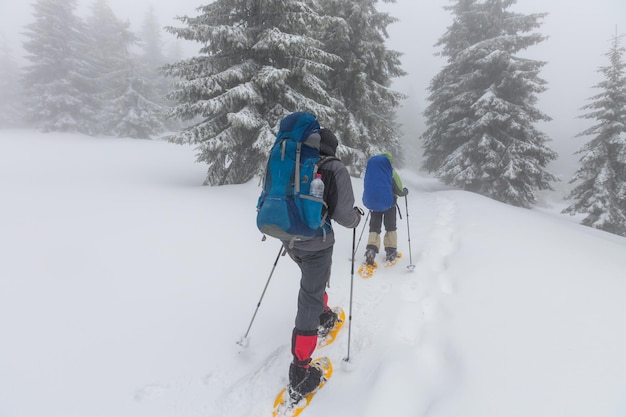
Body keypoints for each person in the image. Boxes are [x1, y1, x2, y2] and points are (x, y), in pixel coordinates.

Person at [283, 127, 361, 400]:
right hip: (316, 243)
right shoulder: (334, 168)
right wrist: (356, 218)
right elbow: (344, 215)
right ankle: (300, 371)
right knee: (309, 296)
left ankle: (324, 313)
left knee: (312, 285)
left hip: (289, 240)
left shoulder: (293, 162)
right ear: (331, 147)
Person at [362, 152, 408, 265]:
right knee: (390, 226)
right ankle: (391, 251)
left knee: (374, 227)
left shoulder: (371, 173)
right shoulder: (391, 172)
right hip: (389, 204)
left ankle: (371, 249)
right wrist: (404, 192)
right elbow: (398, 189)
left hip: (374, 205)